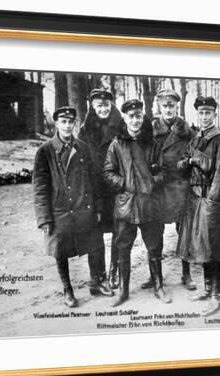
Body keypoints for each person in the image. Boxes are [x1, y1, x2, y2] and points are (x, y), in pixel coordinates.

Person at [33, 106, 114, 308]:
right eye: (63, 122)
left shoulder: (83, 148)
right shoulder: (45, 151)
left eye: (71, 122)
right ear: (56, 124)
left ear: (75, 124)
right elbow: (40, 187)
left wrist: (97, 207)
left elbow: (94, 180)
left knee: (96, 245)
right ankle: (67, 289)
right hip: (59, 211)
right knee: (60, 251)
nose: (67, 126)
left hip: (83, 208)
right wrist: (44, 218)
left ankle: (98, 282)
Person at [104, 99, 171, 307]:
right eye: (131, 116)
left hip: (150, 204)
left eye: (138, 116)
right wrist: (124, 183)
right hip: (126, 206)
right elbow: (107, 172)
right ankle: (123, 291)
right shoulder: (116, 144)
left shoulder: (153, 143)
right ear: (124, 118)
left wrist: (152, 181)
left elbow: (163, 170)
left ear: (143, 117)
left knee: (154, 247)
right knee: (123, 248)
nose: (135, 120)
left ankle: (158, 286)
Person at [176, 96, 220, 316]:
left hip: (211, 202)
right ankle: (207, 289)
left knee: (214, 250)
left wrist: (212, 201)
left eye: (208, 113)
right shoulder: (194, 140)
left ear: (214, 115)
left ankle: (216, 297)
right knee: (202, 247)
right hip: (194, 201)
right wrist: (190, 161)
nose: (204, 117)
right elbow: (180, 166)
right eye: (200, 113)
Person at [140, 88, 197, 291]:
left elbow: (195, 158)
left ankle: (186, 274)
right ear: (159, 107)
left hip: (181, 188)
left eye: (172, 105)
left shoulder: (187, 131)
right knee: (154, 234)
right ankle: (155, 276)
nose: (168, 109)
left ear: (177, 107)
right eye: (165, 105)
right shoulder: (149, 129)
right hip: (157, 189)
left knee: (185, 233)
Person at [79, 89, 123, 290]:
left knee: (119, 232)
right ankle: (97, 277)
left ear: (111, 105)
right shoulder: (84, 129)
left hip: (116, 188)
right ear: (92, 107)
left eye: (106, 105)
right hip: (94, 189)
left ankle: (115, 271)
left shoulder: (121, 125)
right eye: (99, 106)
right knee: (94, 235)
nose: (103, 109)